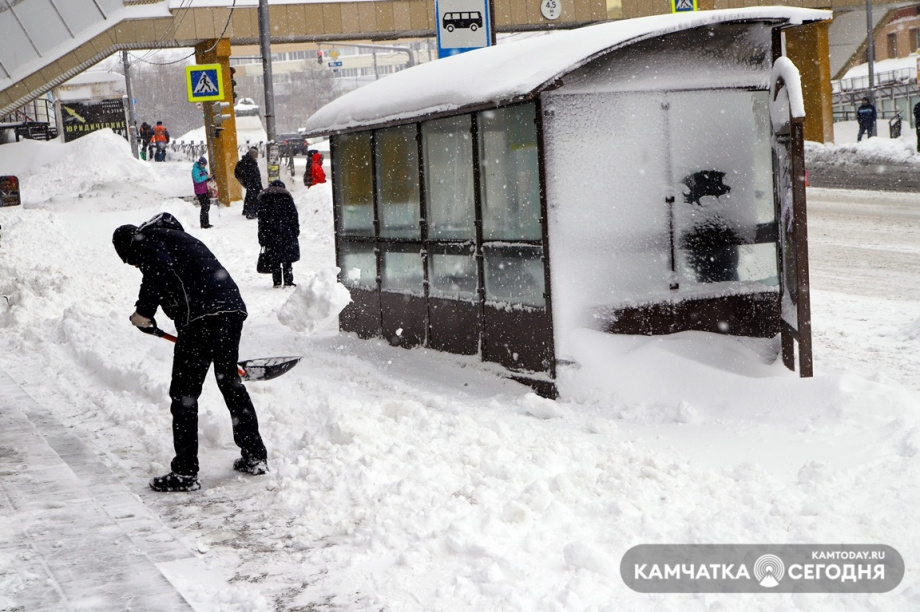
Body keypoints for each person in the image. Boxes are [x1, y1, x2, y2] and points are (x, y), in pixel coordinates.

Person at [112, 214, 269, 492]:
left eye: (131, 261)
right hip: (231, 310)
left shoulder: (148, 240)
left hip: (202, 317)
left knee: (184, 394)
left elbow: (157, 272)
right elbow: (176, 281)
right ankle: (254, 455)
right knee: (229, 381)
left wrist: (143, 312)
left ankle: (185, 472)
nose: (136, 265)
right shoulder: (175, 240)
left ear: (129, 248)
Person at [257, 180, 300, 288]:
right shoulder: (287, 197)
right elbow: (293, 215)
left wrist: (262, 235)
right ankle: (288, 281)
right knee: (287, 258)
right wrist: (296, 229)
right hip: (286, 231)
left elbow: (261, 219)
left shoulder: (265, 199)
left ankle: (276, 281)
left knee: (274, 257)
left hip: (270, 232)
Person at [234, 147, 263, 219]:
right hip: (252, 182)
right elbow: (251, 173)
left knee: (250, 196)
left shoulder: (248, 160)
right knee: (252, 197)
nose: (257, 155)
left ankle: (247, 210)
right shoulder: (249, 161)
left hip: (252, 182)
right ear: (253, 154)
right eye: (256, 154)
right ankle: (251, 213)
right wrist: (251, 181)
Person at [191, 157, 213, 229]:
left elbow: (205, 178)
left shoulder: (203, 169)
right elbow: (197, 180)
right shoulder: (195, 170)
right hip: (200, 191)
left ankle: (206, 222)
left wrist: (209, 178)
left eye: (205, 165)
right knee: (204, 207)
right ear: (200, 163)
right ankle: (203, 224)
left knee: (207, 206)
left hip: (205, 190)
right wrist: (206, 177)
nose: (204, 166)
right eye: (203, 164)